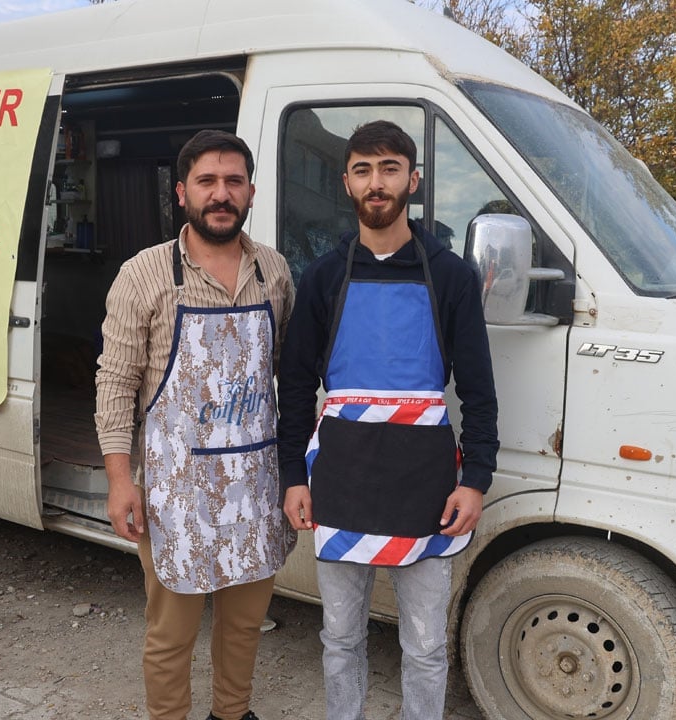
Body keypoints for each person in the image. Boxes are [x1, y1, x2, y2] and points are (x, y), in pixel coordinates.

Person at [277, 120, 499, 720]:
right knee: (340, 639)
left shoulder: (451, 275)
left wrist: (475, 479)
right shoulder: (323, 276)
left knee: (426, 645)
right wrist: (293, 477)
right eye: (363, 170)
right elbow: (296, 385)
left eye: (389, 169)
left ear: (413, 180)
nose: (377, 183)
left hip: (425, 486)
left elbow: (478, 391)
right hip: (341, 480)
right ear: (347, 182)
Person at [95, 129, 296, 720]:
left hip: (253, 489)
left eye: (233, 181)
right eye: (207, 181)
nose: (220, 194)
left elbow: (289, 371)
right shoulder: (146, 274)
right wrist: (118, 479)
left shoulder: (274, 272)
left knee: (244, 626)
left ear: (251, 192)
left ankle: (231, 714)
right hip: (173, 493)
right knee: (171, 635)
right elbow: (115, 383)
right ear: (182, 192)